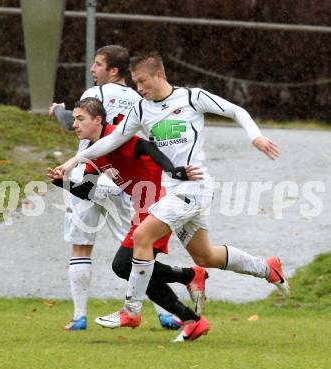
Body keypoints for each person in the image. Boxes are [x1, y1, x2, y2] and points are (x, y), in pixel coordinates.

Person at [56, 52, 290, 343]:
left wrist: (254, 136)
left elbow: (236, 110)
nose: (140, 88)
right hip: (172, 192)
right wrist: (73, 162)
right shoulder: (141, 109)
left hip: (194, 188)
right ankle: (267, 267)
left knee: (141, 236)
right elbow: (111, 141)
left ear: (159, 75)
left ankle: (131, 310)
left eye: (142, 81)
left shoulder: (192, 98)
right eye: (136, 83)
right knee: (205, 255)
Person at [49, 45, 204, 331]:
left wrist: (59, 111)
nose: (92, 70)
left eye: (98, 64)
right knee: (137, 258)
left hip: (106, 178)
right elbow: (147, 139)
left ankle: (80, 316)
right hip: (124, 184)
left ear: (113, 70)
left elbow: (75, 121)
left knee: (87, 247)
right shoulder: (139, 97)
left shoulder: (94, 97)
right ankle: (171, 314)